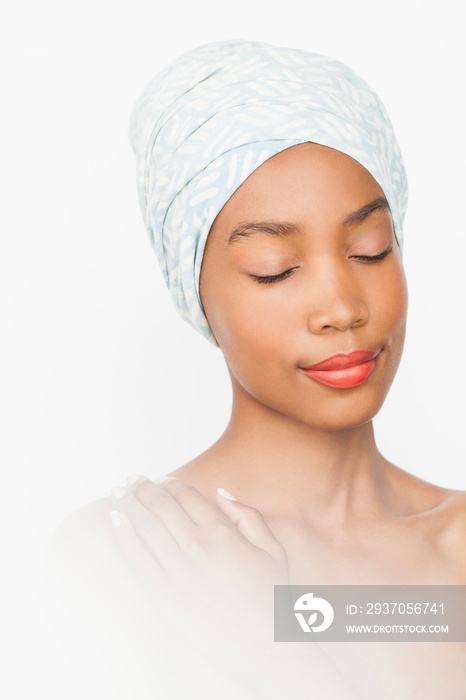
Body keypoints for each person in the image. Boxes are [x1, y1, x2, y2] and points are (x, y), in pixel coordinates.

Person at [47, 40, 466, 699]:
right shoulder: (121, 556)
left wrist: (276, 641)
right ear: (197, 291)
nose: (341, 308)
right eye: (275, 267)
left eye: (370, 250)